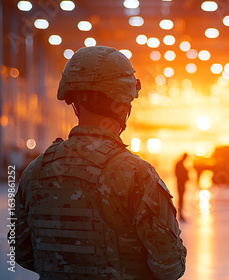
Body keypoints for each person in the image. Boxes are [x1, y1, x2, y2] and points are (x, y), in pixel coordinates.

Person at [12, 46, 186, 279]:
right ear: (124, 105)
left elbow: (22, 252)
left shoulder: (35, 171)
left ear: (74, 103)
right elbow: (169, 266)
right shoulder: (136, 174)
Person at [175, 153, 189, 221]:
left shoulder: (180, 164)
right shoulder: (180, 164)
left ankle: (181, 213)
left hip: (181, 184)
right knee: (181, 199)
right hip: (180, 184)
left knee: (181, 199)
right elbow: (179, 174)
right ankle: (180, 214)